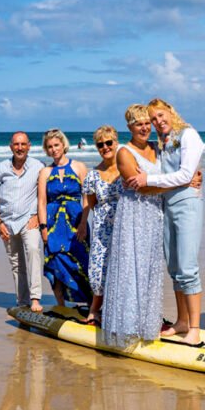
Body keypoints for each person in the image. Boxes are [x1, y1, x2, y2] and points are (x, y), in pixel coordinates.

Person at [126, 98, 205, 345]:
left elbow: (185, 174)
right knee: (174, 267)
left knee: (188, 267)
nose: (158, 122)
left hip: (187, 205)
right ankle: (181, 321)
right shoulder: (164, 142)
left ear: (171, 112)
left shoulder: (188, 135)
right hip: (167, 205)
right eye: (153, 119)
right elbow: (174, 175)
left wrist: (148, 179)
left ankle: (194, 328)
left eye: (161, 116)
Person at [102, 105, 167, 347]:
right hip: (134, 215)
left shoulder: (157, 147)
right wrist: (178, 183)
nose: (144, 127)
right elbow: (141, 186)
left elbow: (160, 177)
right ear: (129, 126)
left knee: (150, 268)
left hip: (155, 214)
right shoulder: (123, 152)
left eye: (147, 122)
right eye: (138, 123)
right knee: (131, 267)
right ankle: (127, 327)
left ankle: (146, 324)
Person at [0, 131, 45, 312]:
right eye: (16, 144)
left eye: (23, 144)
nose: (19, 148)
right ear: (10, 146)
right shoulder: (0, 168)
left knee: (34, 252)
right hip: (7, 223)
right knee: (16, 263)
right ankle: (22, 300)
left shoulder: (38, 166)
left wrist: (37, 215)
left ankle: (35, 298)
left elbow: (44, 194)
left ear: (29, 146)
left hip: (29, 220)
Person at [37, 129, 91, 307]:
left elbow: (87, 198)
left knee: (81, 261)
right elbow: (42, 202)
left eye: (56, 145)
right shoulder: (45, 172)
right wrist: (43, 228)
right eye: (50, 147)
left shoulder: (79, 167)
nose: (53, 149)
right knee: (55, 262)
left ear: (63, 145)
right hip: (53, 225)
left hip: (75, 222)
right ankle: (61, 306)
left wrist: (83, 223)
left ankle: (90, 304)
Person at [76, 125, 122, 325]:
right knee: (97, 271)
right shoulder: (93, 174)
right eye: (100, 144)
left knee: (121, 269)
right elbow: (90, 203)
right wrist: (83, 224)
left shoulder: (126, 168)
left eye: (109, 142)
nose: (105, 147)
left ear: (116, 142)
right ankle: (95, 309)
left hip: (124, 227)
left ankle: (117, 311)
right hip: (102, 227)